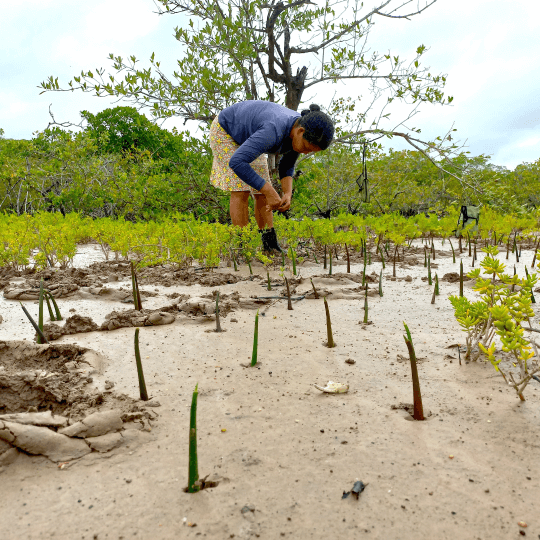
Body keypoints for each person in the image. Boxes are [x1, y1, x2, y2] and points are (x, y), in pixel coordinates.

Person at [209, 100, 334, 252]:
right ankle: (243, 246)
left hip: (252, 136)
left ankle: (270, 245)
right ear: (300, 131)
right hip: (226, 130)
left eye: (311, 151)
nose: (306, 152)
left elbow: (287, 165)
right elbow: (237, 162)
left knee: (261, 191)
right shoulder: (273, 131)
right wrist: (270, 191)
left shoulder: (299, 131)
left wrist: (287, 193)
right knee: (241, 189)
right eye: (307, 148)